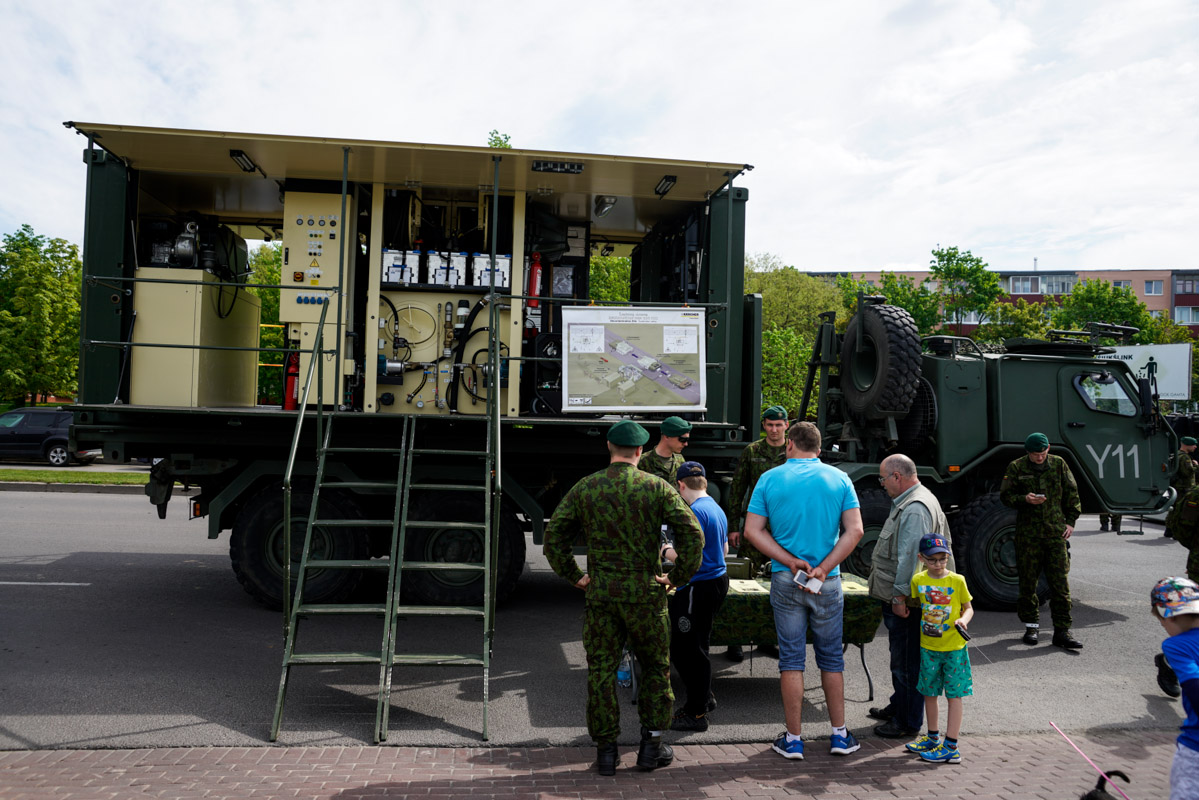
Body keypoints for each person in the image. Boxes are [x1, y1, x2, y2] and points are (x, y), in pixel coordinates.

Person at [543, 419, 704, 776]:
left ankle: (605, 751)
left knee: (601, 672)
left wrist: (575, 575)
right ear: (639, 451)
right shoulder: (657, 487)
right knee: (656, 670)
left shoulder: (587, 487)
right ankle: (651, 746)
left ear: (609, 448)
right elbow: (693, 535)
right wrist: (675, 577)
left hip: (601, 596)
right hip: (646, 596)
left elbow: (554, 537)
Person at [744, 421, 864, 760]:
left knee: (791, 660)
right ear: (819, 449)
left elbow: (753, 531)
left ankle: (793, 739)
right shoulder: (839, 478)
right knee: (831, 658)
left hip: (786, 578)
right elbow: (854, 531)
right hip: (827, 582)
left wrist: (790, 560)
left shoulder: (770, 479)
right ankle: (839, 734)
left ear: (790, 446)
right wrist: (824, 568)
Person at [867, 453, 953, 740]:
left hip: (908, 600)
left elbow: (909, 558)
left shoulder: (915, 507)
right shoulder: (914, 499)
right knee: (902, 657)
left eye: (882, 478)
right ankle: (899, 706)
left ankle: (906, 721)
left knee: (906, 661)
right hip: (908, 596)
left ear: (896, 477)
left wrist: (900, 597)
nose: (882, 484)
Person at [661, 461, 729, 733]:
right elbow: (723, 549)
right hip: (715, 581)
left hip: (698, 585)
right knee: (696, 644)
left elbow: (692, 559)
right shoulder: (715, 506)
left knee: (688, 649)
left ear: (680, 485)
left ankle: (696, 713)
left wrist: (666, 552)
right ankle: (704, 697)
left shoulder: (695, 512)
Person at [1000, 432, 1083, 649]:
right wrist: (1024, 499)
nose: (1039, 457)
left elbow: (1072, 493)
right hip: (1028, 536)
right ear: (1028, 453)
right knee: (1028, 584)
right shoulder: (1017, 467)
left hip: (1055, 533)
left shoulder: (1058, 463)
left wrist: (1071, 521)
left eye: (1043, 452)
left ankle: (1062, 631)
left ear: (1048, 449)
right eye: (1035, 454)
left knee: (1060, 585)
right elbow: (1005, 497)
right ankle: (1031, 627)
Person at [724, 404, 789, 662]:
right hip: (754, 530)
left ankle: (766, 639)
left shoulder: (793, 451)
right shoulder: (752, 451)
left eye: (779, 425)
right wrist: (732, 527)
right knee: (744, 585)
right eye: (769, 425)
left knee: (777, 584)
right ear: (764, 426)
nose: (774, 430)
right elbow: (738, 489)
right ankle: (735, 641)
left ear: (787, 426)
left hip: (783, 532)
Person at [904, 535, 974, 765]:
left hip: (954, 648)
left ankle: (951, 746)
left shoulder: (957, 581)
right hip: (929, 647)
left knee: (954, 695)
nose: (938, 565)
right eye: (933, 560)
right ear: (921, 559)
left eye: (943, 559)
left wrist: (963, 620)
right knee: (929, 692)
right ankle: (933, 737)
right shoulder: (918, 580)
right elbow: (916, 605)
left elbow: (969, 608)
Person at [1151, 576, 1199, 800]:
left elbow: (1194, 689)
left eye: (1162, 622)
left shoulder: (1176, 645)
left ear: (1167, 614)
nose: (1163, 627)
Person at [1164, 437, 1199, 540]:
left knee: (1174, 509)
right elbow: (1187, 472)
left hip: (1177, 487)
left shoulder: (1176, 455)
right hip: (1184, 488)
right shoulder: (1185, 458)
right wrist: (1197, 466)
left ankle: (1169, 529)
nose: (1195, 447)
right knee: (1182, 511)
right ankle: (1176, 531)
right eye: (1194, 445)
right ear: (1187, 445)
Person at [638, 416, 691, 482]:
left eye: (687, 440)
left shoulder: (680, 460)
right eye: (682, 439)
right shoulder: (643, 462)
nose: (686, 444)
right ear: (667, 436)